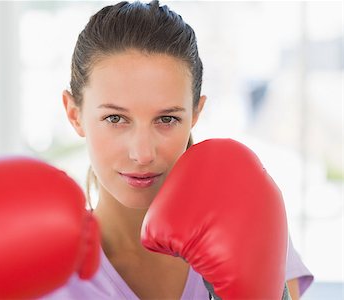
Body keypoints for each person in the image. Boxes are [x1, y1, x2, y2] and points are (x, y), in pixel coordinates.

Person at [43, 0, 313, 299]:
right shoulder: (44, 265)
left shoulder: (248, 229)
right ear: (74, 114)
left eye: (167, 119)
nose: (143, 153)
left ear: (196, 114)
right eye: (115, 118)